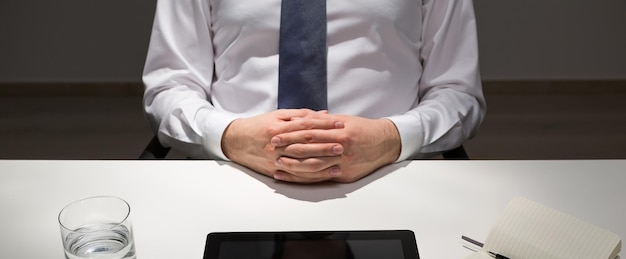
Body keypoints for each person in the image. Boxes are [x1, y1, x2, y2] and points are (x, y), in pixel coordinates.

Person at [142, 1, 486, 183]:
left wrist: (389, 139)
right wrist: (232, 137)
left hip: (391, 176)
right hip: (234, 175)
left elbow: (457, 93)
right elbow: (171, 87)